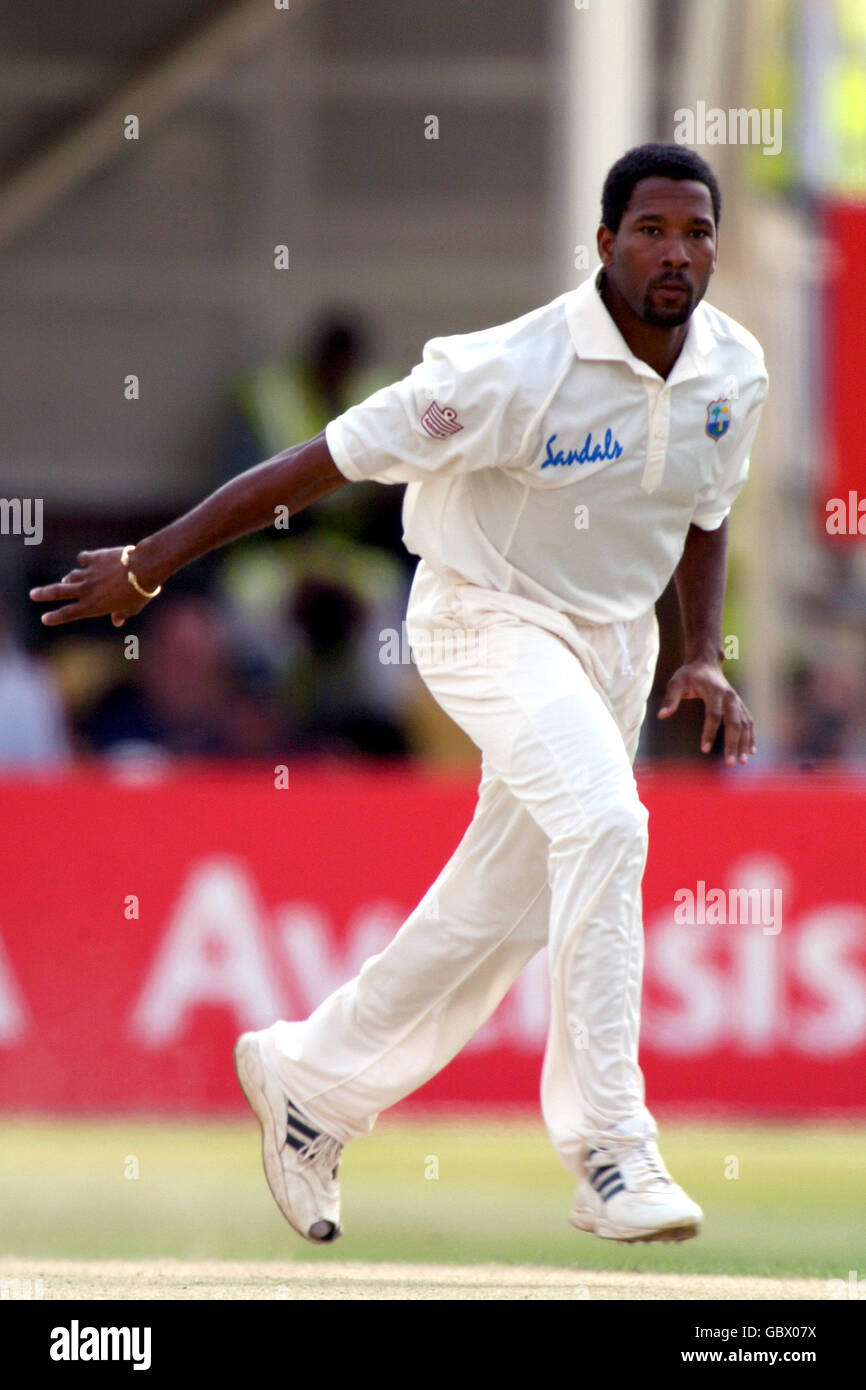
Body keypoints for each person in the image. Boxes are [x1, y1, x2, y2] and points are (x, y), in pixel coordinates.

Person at [31, 144, 768, 1247]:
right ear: (604, 243)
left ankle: (308, 1086)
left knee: (505, 911)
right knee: (609, 823)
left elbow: (705, 511)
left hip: (609, 649)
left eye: (696, 232)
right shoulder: (506, 370)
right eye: (652, 230)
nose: (676, 252)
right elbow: (317, 462)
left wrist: (699, 652)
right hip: (485, 617)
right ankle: (610, 1148)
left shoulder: (731, 369)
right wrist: (149, 560)